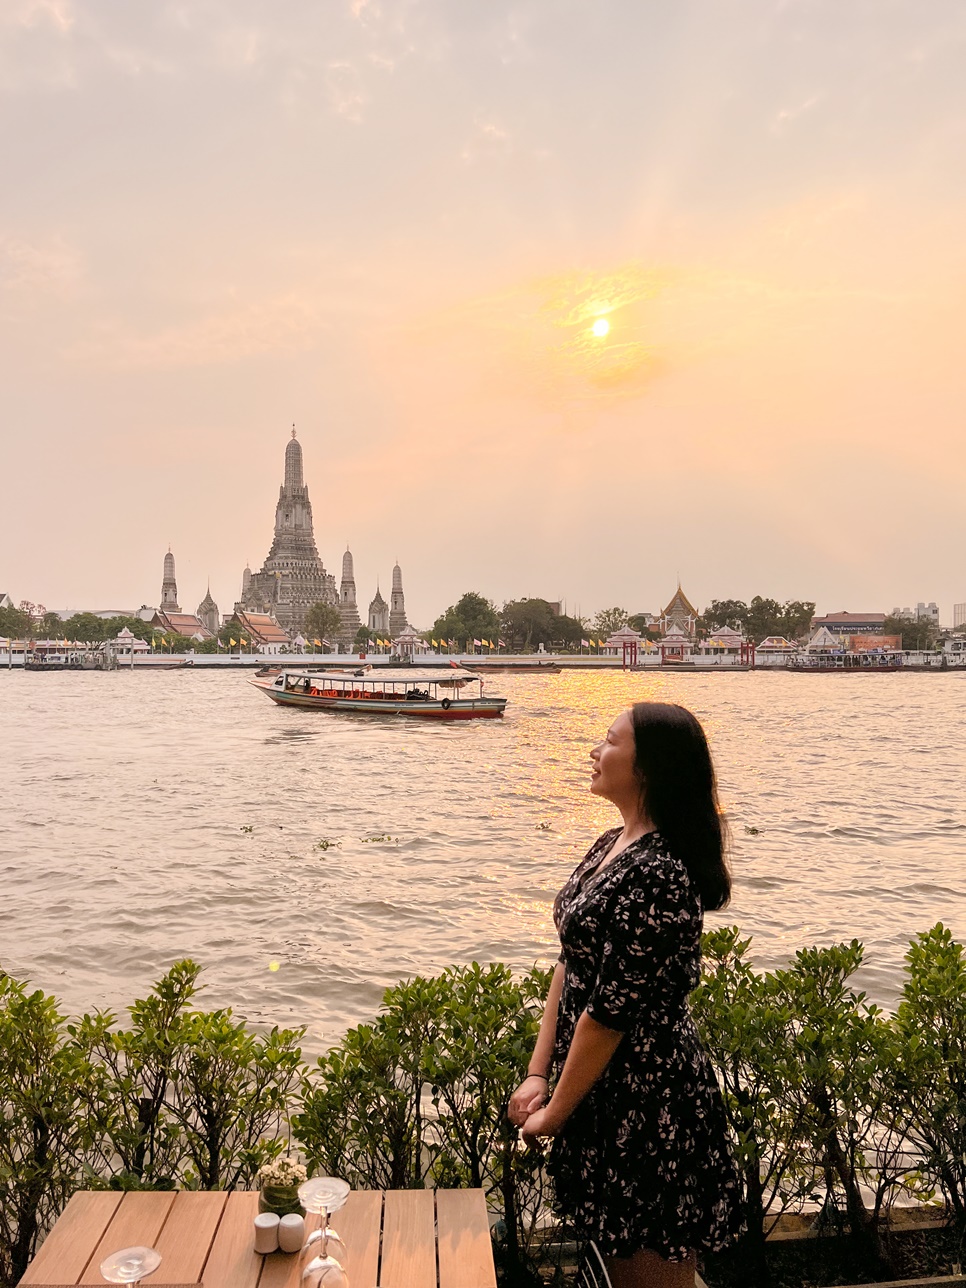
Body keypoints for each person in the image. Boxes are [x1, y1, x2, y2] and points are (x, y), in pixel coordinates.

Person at [509, 702, 743, 1288]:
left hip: (649, 1106)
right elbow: (572, 963)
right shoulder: (611, 842)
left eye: (609, 741)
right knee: (613, 1269)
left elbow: (611, 1011)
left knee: (651, 1276)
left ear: (647, 767)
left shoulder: (661, 871)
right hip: (598, 1092)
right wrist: (540, 1074)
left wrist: (555, 1113)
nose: (594, 750)